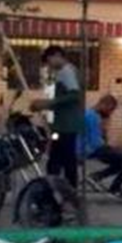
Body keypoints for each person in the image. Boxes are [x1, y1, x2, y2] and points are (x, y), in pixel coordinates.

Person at [29, 46, 82, 186]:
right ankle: (56, 189)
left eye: (49, 61)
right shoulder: (64, 72)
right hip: (63, 123)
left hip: (67, 125)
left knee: (63, 160)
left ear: (57, 55)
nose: (49, 65)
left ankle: (67, 190)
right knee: (57, 160)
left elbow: (74, 95)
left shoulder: (66, 71)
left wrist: (49, 103)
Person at [80, 94, 122, 199]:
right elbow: (95, 141)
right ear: (104, 104)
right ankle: (114, 188)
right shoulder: (93, 116)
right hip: (91, 149)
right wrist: (109, 147)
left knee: (121, 161)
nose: (110, 113)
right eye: (110, 110)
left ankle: (96, 177)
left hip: (88, 147)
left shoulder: (89, 114)